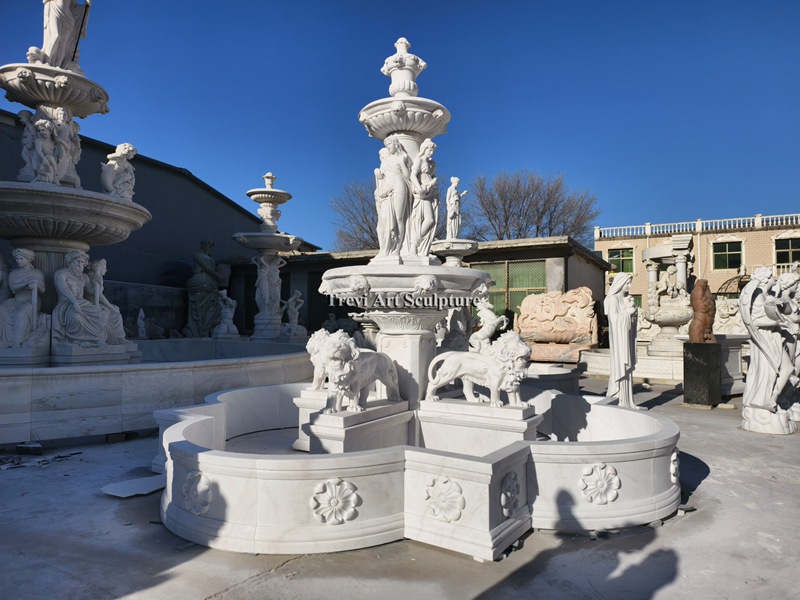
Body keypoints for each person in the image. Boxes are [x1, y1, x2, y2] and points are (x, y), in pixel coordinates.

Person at [52, 250, 108, 346]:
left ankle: (96, 339)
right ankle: (74, 339)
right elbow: (64, 289)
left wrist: (99, 283)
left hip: (83, 303)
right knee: (75, 316)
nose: (80, 264)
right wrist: (74, 302)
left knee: (101, 313)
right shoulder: (61, 274)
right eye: (77, 261)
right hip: (66, 304)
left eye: (82, 262)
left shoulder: (84, 276)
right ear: (69, 261)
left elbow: (92, 291)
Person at [604, 273, 639, 409]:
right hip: (619, 342)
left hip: (625, 339)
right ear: (620, 283)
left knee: (627, 370)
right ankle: (617, 398)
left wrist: (633, 309)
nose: (629, 286)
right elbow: (614, 320)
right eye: (627, 284)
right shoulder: (612, 299)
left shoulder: (623, 298)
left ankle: (627, 402)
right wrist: (628, 312)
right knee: (620, 367)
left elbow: (628, 317)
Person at [0, 249, 45, 347]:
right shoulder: (14, 274)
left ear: (28, 259)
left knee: (22, 313)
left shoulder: (37, 273)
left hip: (31, 301)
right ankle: (3, 339)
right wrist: (27, 283)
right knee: (1, 309)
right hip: (16, 300)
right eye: (17, 259)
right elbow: (13, 288)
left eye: (21, 258)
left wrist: (36, 284)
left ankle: (17, 341)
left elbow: (43, 290)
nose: (19, 261)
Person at [182, 241, 225, 337]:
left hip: (210, 282)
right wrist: (219, 276)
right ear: (202, 245)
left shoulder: (209, 256)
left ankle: (207, 328)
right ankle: (197, 330)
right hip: (200, 281)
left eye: (210, 246)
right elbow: (206, 268)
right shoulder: (197, 254)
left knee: (213, 306)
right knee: (199, 307)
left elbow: (212, 268)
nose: (209, 247)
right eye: (207, 245)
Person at [381, 135, 413, 256]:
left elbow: (407, 175)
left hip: (399, 186)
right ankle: (389, 245)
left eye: (389, 144)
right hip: (388, 189)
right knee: (389, 219)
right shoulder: (386, 160)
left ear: (396, 144)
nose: (388, 147)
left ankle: (399, 247)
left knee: (400, 218)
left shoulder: (402, 157)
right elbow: (382, 176)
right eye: (386, 145)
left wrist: (402, 163)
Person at [86, 259, 126, 345]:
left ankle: (119, 337)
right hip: (91, 303)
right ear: (98, 269)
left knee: (116, 308)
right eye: (104, 267)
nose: (106, 270)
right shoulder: (94, 278)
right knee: (114, 312)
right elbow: (99, 296)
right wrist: (110, 306)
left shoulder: (98, 277)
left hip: (97, 302)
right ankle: (117, 337)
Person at [409, 138, 438, 256]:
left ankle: (420, 246)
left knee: (431, 220)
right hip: (422, 193)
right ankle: (414, 244)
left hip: (430, 192)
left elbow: (433, 176)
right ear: (424, 149)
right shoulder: (419, 160)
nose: (431, 152)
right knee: (429, 219)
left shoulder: (432, 164)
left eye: (432, 150)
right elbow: (413, 176)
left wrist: (433, 181)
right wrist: (419, 188)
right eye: (430, 150)